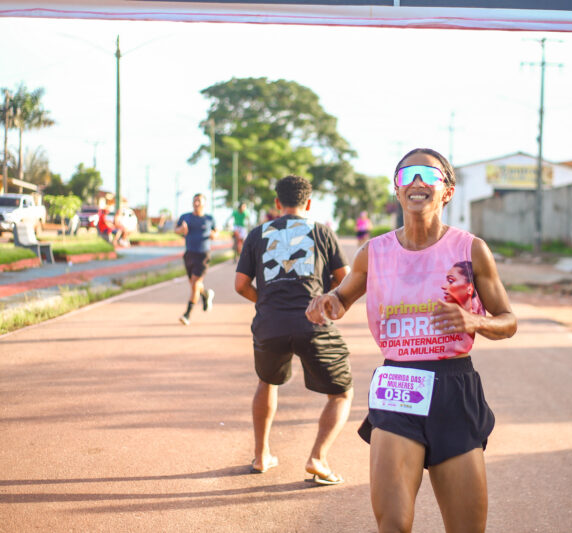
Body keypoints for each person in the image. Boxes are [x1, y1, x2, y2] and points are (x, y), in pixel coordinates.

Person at [306, 148, 517, 532]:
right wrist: (328, 303)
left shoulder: (470, 250)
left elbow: (508, 321)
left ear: (447, 191)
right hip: (399, 385)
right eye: (407, 175)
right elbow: (342, 298)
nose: (417, 182)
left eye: (428, 175)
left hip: (455, 387)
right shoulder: (374, 252)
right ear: (398, 190)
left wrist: (474, 320)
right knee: (394, 525)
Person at [235, 175, 353, 484]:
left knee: (266, 381)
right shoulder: (322, 232)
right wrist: (325, 300)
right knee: (341, 393)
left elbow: (240, 285)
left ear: (277, 204)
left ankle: (262, 456)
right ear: (309, 203)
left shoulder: (257, 233)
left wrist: (268, 302)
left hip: (269, 323)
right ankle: (318, 458)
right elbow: (345, 278)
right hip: (312, 321)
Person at [175, 193, 217, 325]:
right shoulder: (185, 217)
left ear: (204, 203)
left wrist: (213, 235)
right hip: (189, 254)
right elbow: (176, 230)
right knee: (195, 285)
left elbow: (216, 232)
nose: (196, 203)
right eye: (195, 201)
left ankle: (187, 314)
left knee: (194, 285)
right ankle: (205, 294)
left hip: (203, 255)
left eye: (199, 201)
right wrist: (181, 229)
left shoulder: (209, 218)